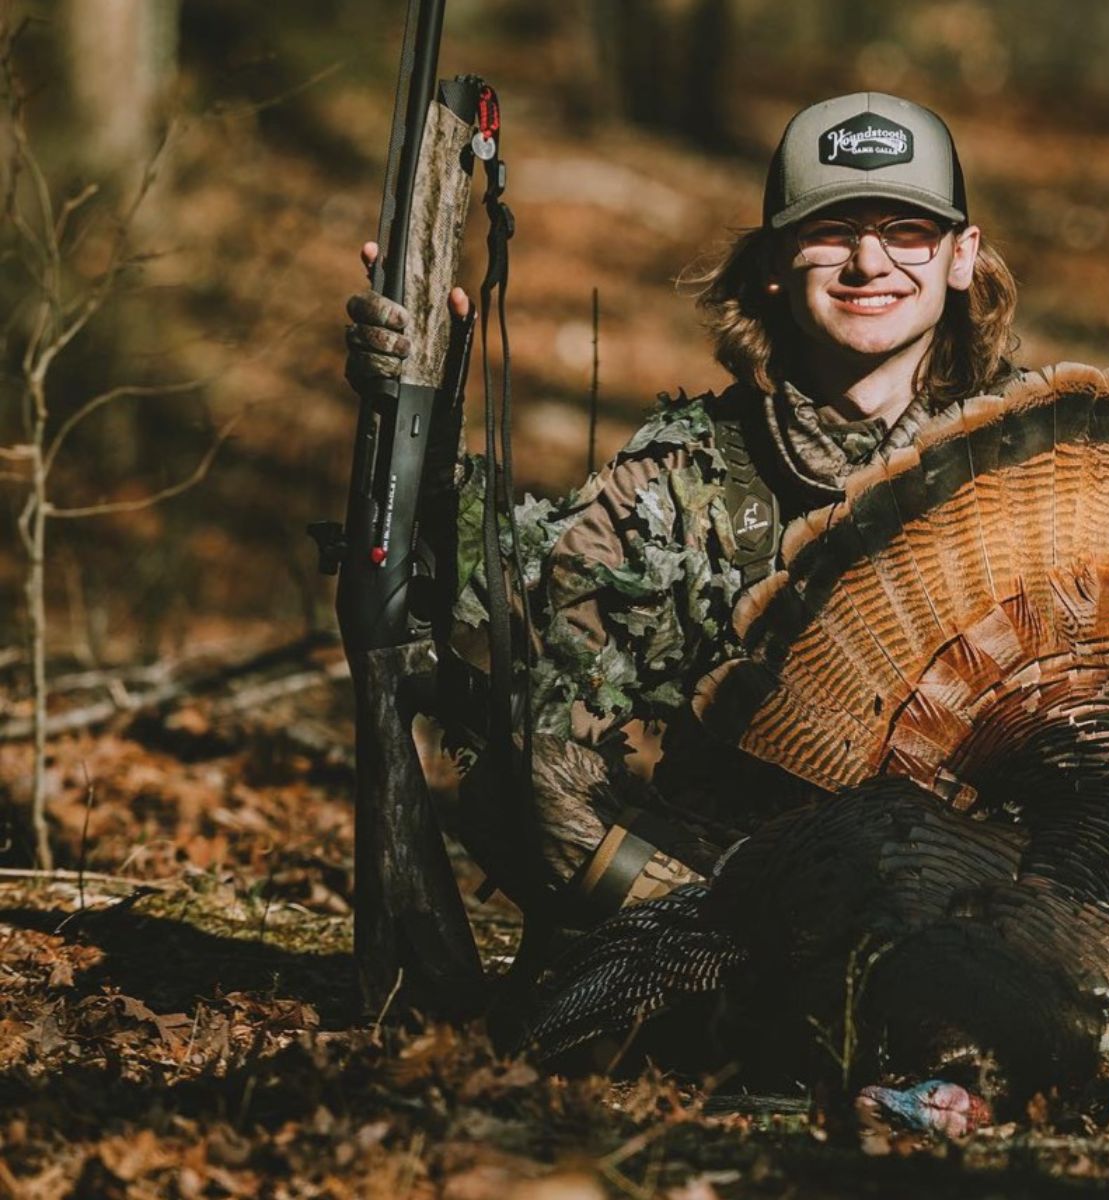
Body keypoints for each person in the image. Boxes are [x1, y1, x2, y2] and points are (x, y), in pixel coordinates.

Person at [344, 92, 1021, 947]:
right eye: (832, 229)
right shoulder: (685, 476)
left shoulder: (1033, 460)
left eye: (906, 230)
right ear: (776, 261)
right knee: (525, 783)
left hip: (984, 892)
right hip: (740, 893)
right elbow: (523, 674)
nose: (868, 261)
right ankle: (744, 979)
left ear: (961, 258)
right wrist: (424, 418)